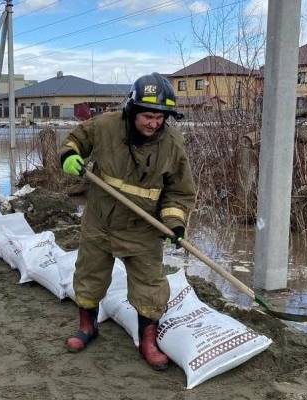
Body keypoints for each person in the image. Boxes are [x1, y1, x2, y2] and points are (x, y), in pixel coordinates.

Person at [59, 73, 196, 370]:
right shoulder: (106, 125)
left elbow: (180, 191)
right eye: (148, 116)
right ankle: (87, 327)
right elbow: (75, 139)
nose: (154, 123)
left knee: (150, 285)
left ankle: (148, 340)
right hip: (100, 221)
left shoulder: (172, 143)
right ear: (132, 111)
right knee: (89, 275)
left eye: (161, 118)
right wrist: (69, 156)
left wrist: (174, 223)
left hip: (142, 228)